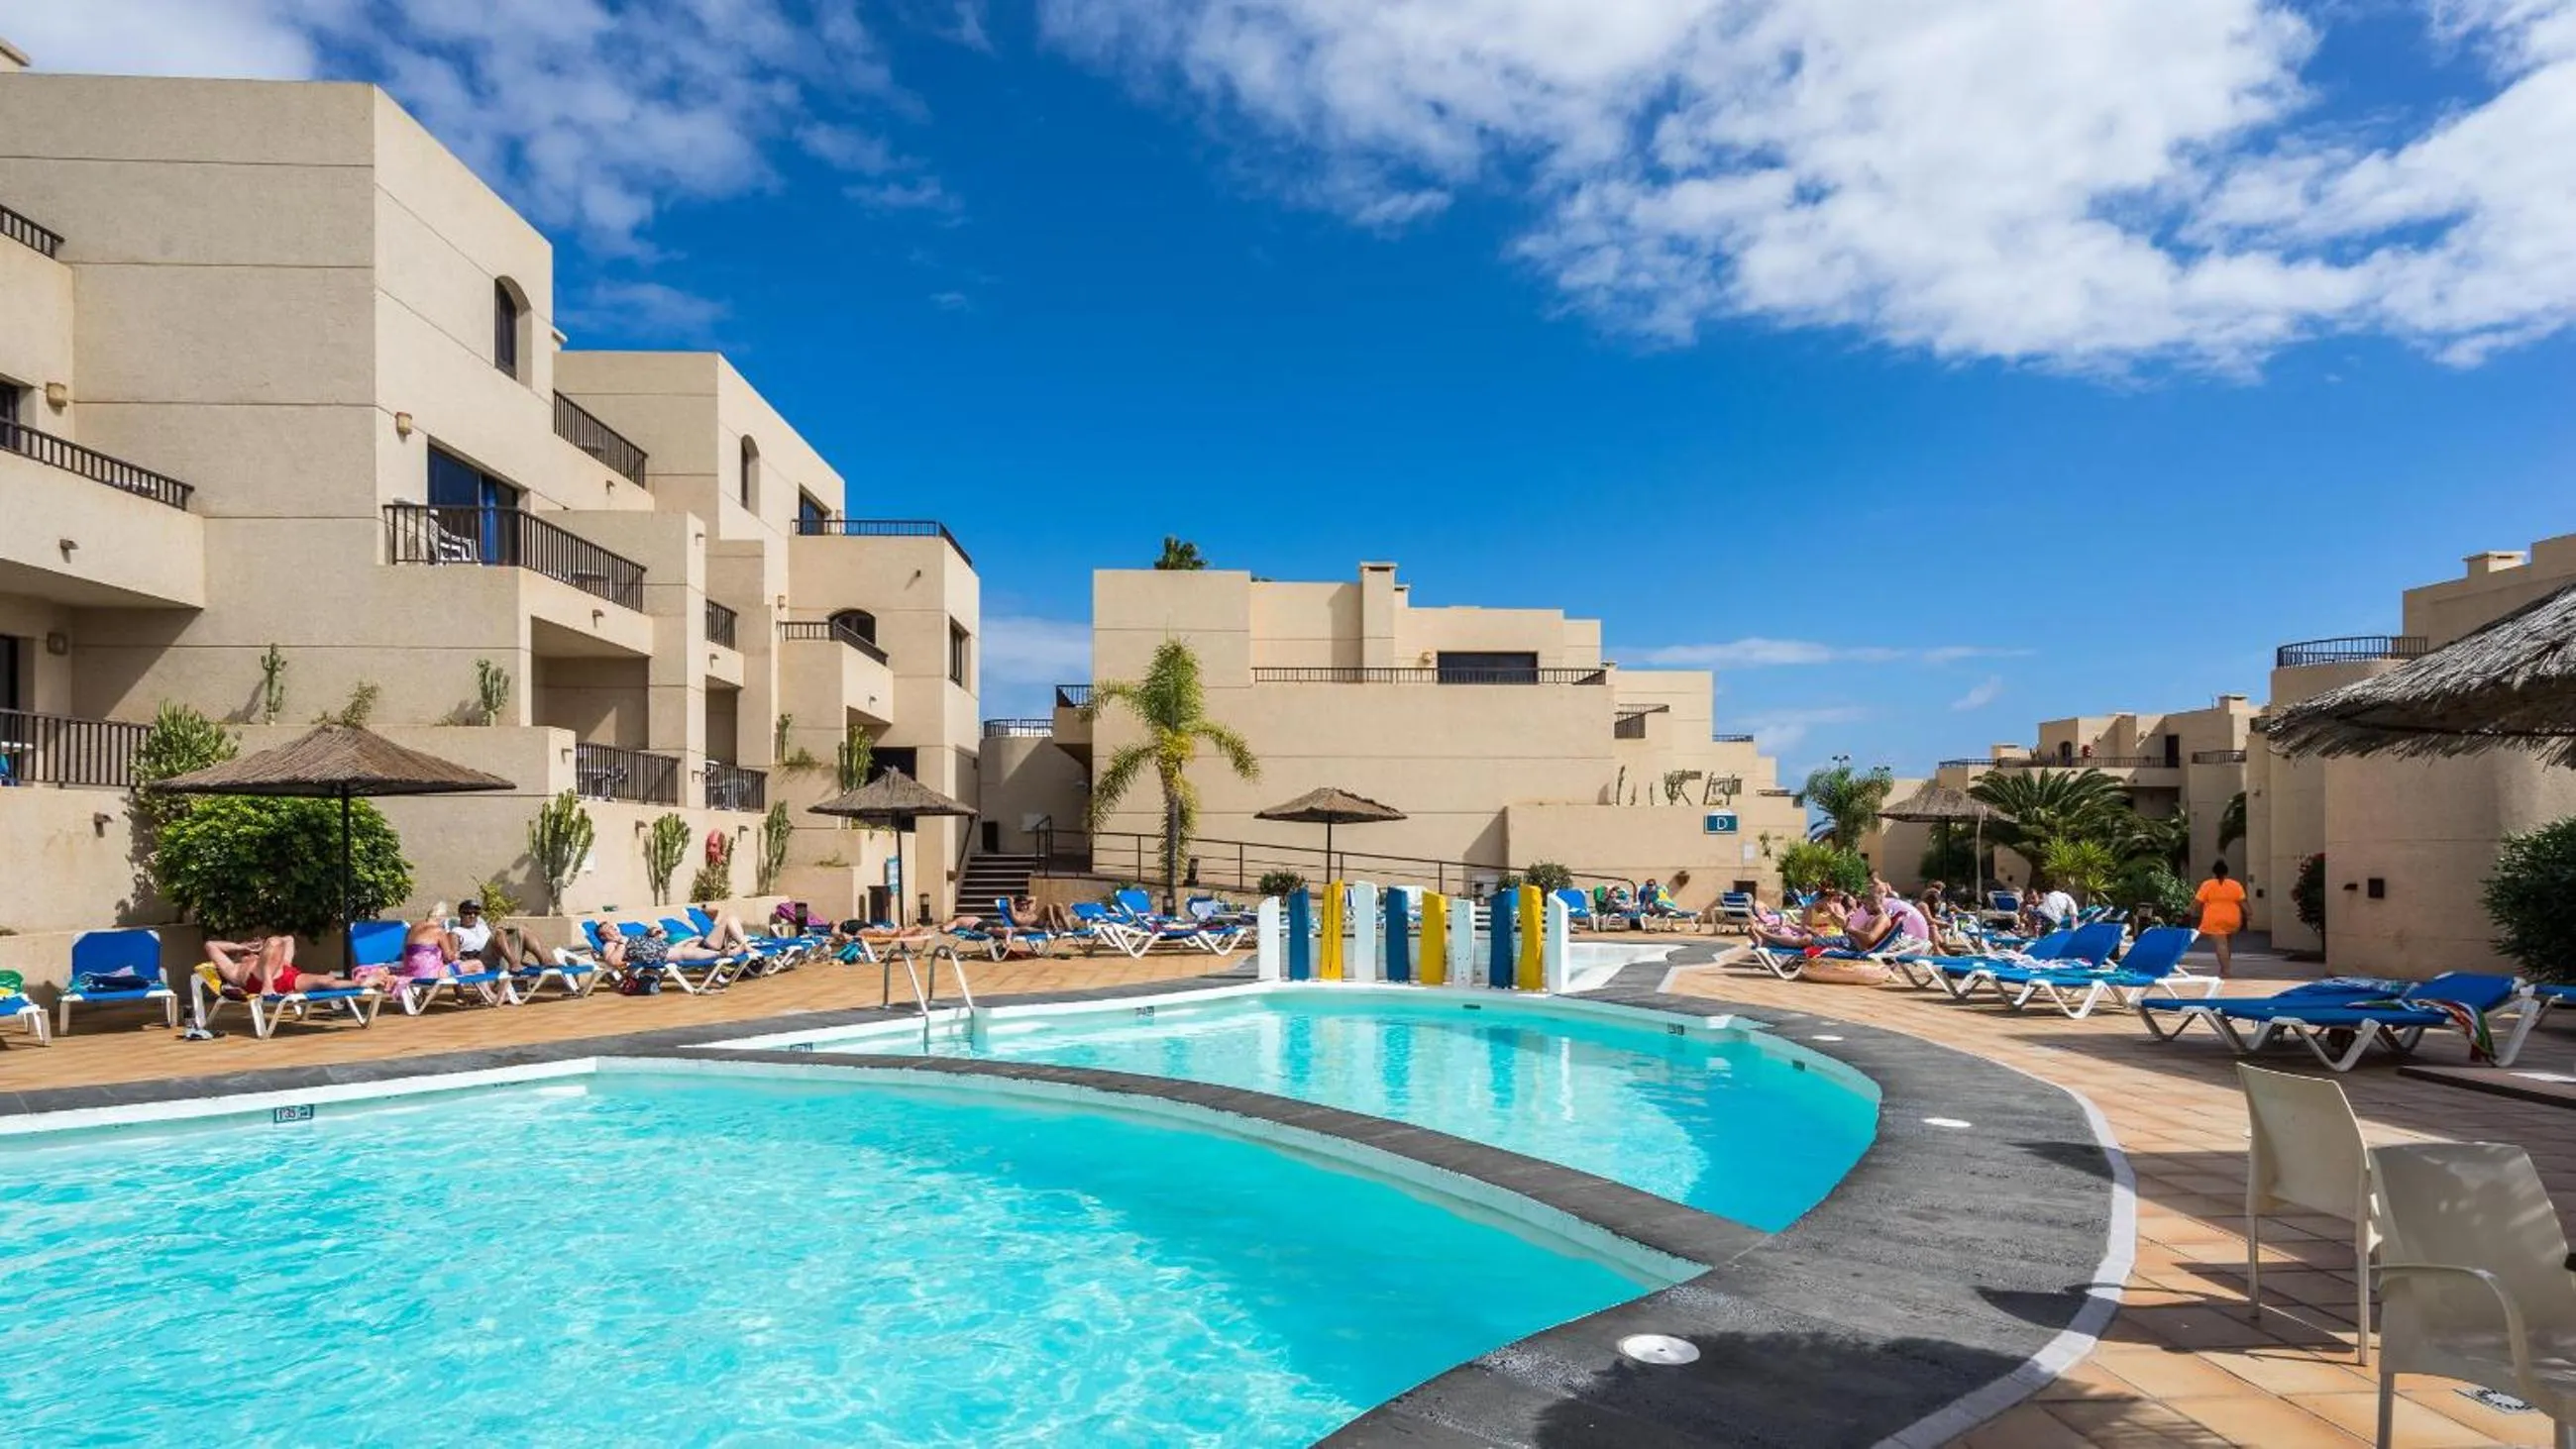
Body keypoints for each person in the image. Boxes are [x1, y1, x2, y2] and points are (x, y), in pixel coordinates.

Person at [206, 933, 368, 996]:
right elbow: (210, 945)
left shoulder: (281, 961)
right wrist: (242, 946)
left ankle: (362, 983)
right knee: (275, 941)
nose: (252, 954)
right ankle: (268, 984)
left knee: (326, 981)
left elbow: (289, 939)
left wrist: (265, 949)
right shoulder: (234, 969)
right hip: (260, 982)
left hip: (287, 978)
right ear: (241, 957)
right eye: (247, 954)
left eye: (255, 953)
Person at [450, 899, 545, 971]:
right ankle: (514, 963)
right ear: (460, 914)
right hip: (479, 961)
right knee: (499, 932)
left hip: (500, 958)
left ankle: (544, 960)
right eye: (468, 913)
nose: (472, 916)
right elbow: (454, 958)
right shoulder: (456, 931)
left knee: (522, 929)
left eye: (476, 913)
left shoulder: (482, 926)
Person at [2193, 859, 2248, 979]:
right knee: (2227, 944)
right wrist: (2249, 913)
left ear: (2213, 872)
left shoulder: (2207, 884)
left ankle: (2226, 971)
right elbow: (2243, 902)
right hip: (2232, 918)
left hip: (2214, 918)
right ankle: (2224, 968)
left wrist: (2191, 911)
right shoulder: (2235, 884)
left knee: (2221, 944)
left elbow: (2197, 902)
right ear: (2226, 872)